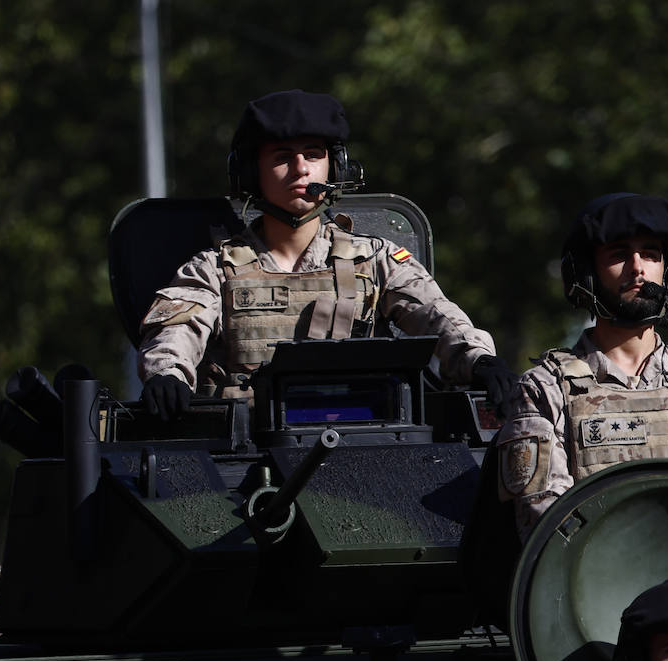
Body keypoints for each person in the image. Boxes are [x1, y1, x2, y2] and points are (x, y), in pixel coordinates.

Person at [138, 89, 515, 418]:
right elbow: (176, 332)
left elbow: (436, 316)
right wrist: (168, 375)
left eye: (313, 154)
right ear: (253, 173)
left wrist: (480, 360)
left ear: (334, 167)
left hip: (361, 443)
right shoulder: (214, 270)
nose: (301, 169)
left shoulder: (378, 261)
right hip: (250, 452)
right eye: (282, 157)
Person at [497, 193, 668, 540]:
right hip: (596, 588)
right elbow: (549, 534)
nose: (638, 268)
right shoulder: (545, 391)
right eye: (618, 255)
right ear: (586, 272)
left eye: (651, 254)